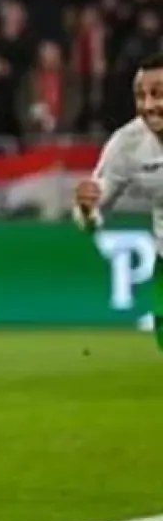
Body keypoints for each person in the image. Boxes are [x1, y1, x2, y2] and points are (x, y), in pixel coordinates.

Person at [74, 51, 163, 350]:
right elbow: (93, 211)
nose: (148, 106)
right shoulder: (127, 144)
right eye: (141, 96)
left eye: (158, 94)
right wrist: (87, 209)